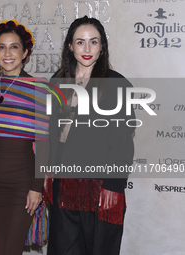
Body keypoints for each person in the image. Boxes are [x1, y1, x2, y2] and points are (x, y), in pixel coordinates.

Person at [45, 16, 135, 254]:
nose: (86, 49)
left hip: (101, 186)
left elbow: (123, 141)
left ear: (102, 46)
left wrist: (113, 185)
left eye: (93, 42)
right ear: (69, 46)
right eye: (80, 42)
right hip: (63, 182)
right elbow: (52, 132)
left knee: (100, 248)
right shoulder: (57, 81)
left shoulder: (117, 84)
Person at [0, 20, 51, 255]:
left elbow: (45, 143)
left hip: (21, 183)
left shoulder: (39, 88)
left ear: (25, 52)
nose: (7, 53)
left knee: (10, 249)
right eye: (1, 47)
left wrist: (37, 186)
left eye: (14, 47)